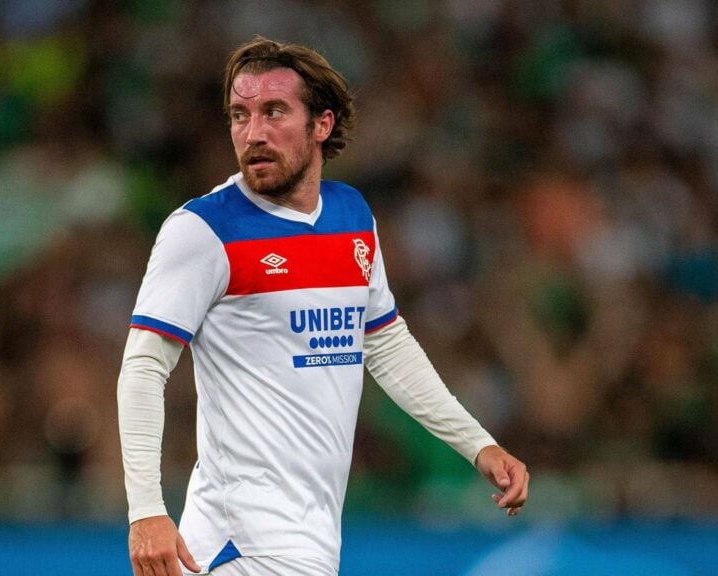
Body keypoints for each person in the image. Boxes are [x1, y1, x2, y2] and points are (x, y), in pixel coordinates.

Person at [117, 36, 529, 576]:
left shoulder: (351, 216)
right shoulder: (203, 230)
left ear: (322, 124)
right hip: (241, 541)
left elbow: (385, 345)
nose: (253, 133)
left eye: (274, 112)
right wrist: (146, 509)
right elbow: (144, 365)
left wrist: (477, 444)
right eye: (240, 115)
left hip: (309, 539)